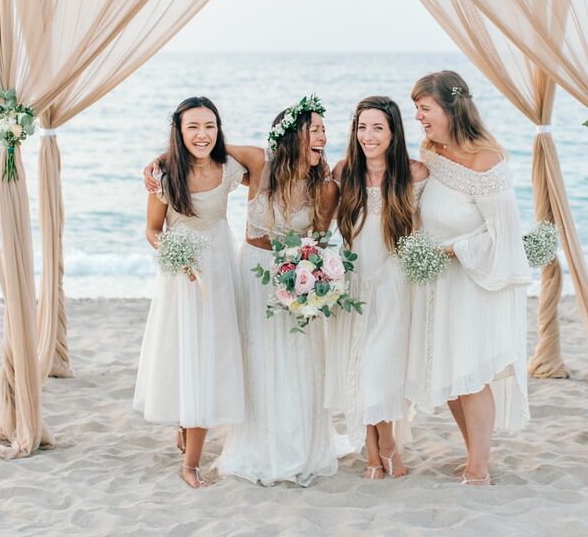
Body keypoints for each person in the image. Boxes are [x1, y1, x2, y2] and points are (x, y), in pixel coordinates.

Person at [408, 71, 530, 485]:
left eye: (425, 109)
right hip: (438, 283)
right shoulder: (430, 149)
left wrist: (451, 250)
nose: (419, 118)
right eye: (417, 110)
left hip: (473, 282)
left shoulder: (486, 159)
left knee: (472, 374)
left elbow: (504, 238)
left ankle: (479, 466)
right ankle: (473, 455)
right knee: (451, 376)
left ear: (450, 107)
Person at [217, 95, 341, 485]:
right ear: (291, 135)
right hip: (253, 271)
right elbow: (205, 150)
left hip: (295, 277)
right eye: (314, 129)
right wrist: (157, 165)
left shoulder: (324, 187)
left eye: (324, 130)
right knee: (255, 356)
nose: (322, 135)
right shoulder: (259, 163)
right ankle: (256, 443)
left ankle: (296, 446)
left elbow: (319, 241)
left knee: (295, 360)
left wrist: (312, 279)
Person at [134, 97, 246, 489]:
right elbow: (152, 229)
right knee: (187, 353)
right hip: (181, 274)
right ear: (179, 132)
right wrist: (173, 255)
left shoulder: (229, 169)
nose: (202, 135)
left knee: (210, 354)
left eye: (210, 126)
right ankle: (190, 463)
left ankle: (191, 440)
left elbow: (267, 163)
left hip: (219, 268)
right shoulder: (164, 176)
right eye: (193, 127)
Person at [325, 96, 428, 479]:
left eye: (377, 128)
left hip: (394, 281)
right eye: (362, 127)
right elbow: (317, 220)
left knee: (379, 368)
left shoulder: (414, 174)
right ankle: (375, 454)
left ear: (393, 132)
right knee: (359, 367)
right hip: (352, 281)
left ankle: (384, 447)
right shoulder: (342, 171)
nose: (368, 136)